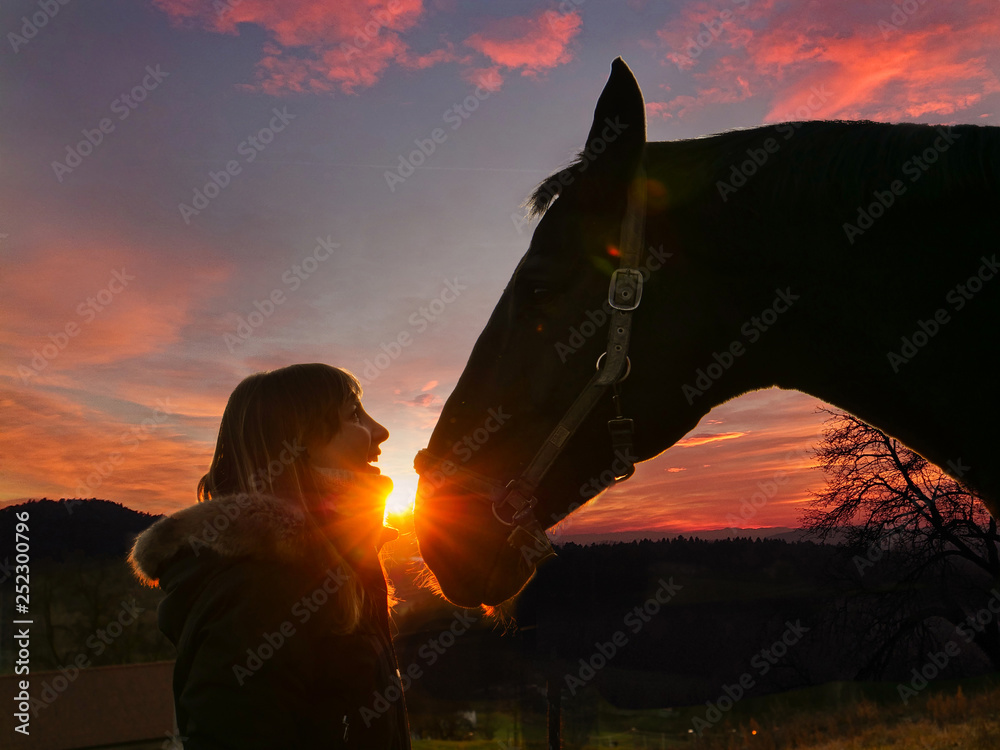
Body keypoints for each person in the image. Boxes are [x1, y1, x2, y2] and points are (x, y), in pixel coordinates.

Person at [129, 363, 410, 749]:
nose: (381, 432)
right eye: (355, 415)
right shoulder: (260, 589)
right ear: (300, 444)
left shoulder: (330, 568)